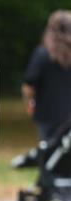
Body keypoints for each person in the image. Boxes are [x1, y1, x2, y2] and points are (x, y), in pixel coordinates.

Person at [22, 10, 71, 143]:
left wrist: (30, 103)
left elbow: (28, 87)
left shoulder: (42, 54)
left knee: (48, 155)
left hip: (46, 115)